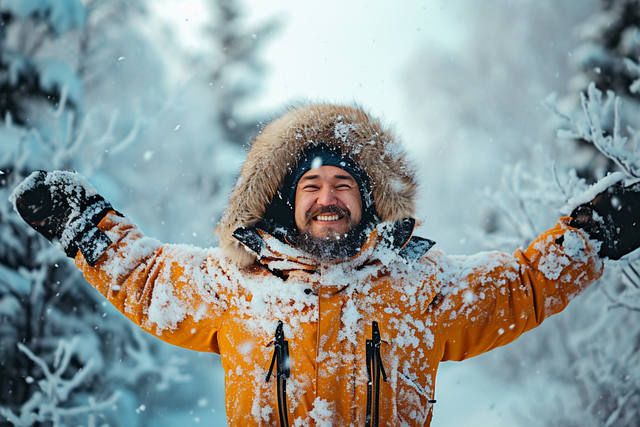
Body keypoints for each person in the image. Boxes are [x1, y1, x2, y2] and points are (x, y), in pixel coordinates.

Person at [11, 103, 640, 426]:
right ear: (287, 201)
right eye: (311, 187)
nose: (327, 198)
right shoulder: (236, 284)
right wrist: (85, 226)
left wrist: (591, 234)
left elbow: (524, 285)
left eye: (344, 184)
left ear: (367, 201)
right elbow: (146, 278)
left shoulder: (421, 286)